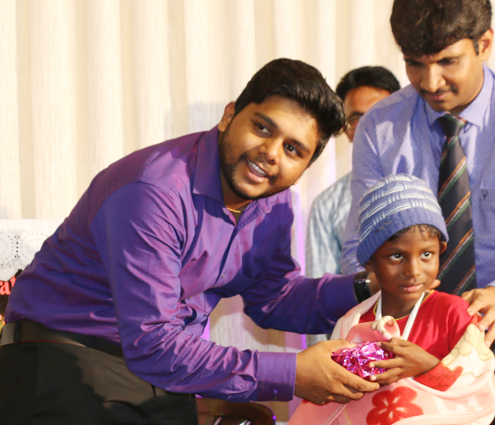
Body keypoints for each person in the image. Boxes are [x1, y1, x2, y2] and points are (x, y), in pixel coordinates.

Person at [0, 58, 379, 425]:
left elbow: (275, 299)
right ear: (229, 115)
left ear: (305, 167)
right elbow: (153, 342)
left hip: (160, 377)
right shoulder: (154, 190)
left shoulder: (274, 202)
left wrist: (369, 285)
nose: (271, 153)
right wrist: (292, 373)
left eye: (293, 149)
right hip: (62, 363)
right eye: (263, 128)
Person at [339, 1, 495, 424]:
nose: (430, 81)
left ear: (484, 44)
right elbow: (359, 244)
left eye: (447, 62)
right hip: (405, 329)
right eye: (414, 64)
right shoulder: (380, 127)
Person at [290, 174, 495, 425]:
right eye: (397, 256)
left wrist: (429, 367)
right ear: (370, 261)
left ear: (440, 250)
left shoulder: (457, 315)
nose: (413, 270)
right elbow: (333, 397)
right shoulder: (352, 322)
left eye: (426, 254)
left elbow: (480, 390)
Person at [305, 66, 400, 279]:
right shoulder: (327, 206)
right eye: (356, 117)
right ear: (346, 130)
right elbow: (323, 296)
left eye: (379, 112)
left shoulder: (433, 177)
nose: (367, 125)